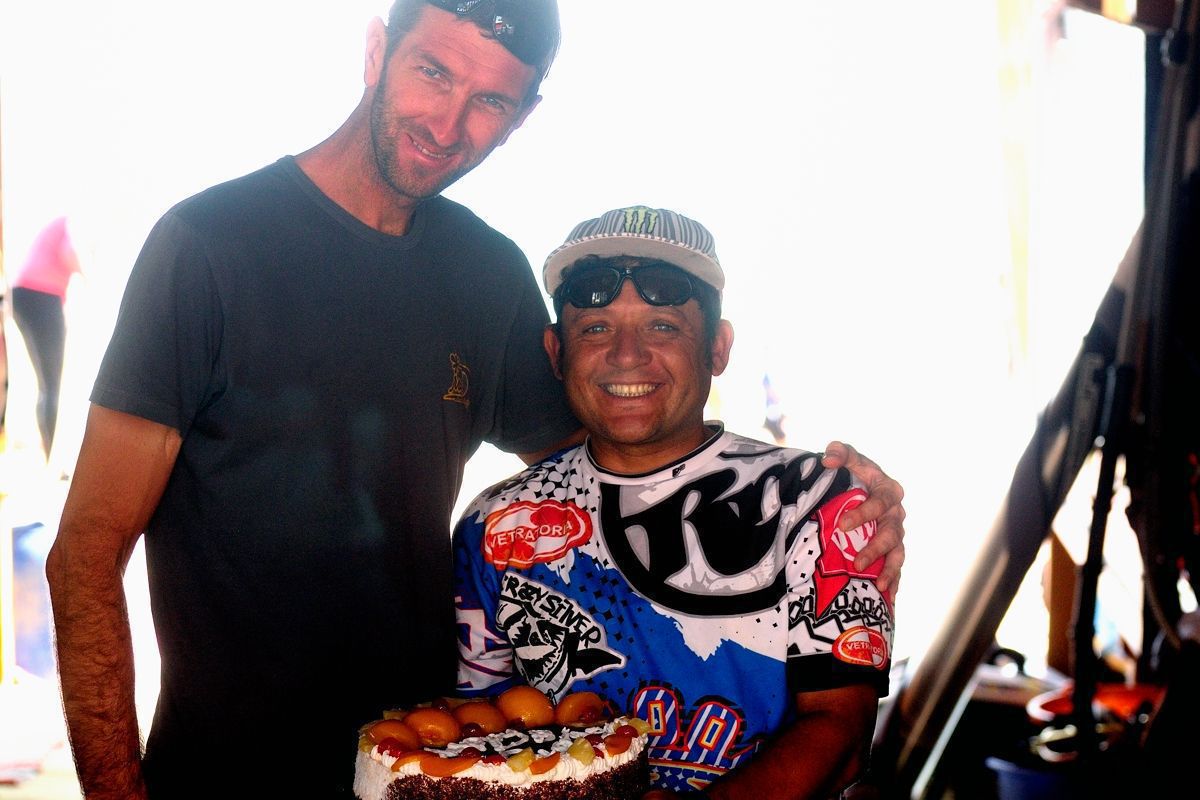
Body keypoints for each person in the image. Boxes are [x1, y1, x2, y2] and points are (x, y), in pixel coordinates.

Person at [45, 4, 904, 799]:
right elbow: (86, 551)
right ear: (377, 50)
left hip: (437, 764)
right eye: (433, 72)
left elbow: (626, 458)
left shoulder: (486, 274)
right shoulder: (208, 247)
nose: (448, 124)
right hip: (225, 772)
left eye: (491, 100)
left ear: (524, 116)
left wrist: (829, 515)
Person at [455, 205, 895, 799]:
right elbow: (478, 733)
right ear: (555, 353)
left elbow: (841, 735)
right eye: (595, 328)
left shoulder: (816, 499)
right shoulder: (494, 525)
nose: (626, 354)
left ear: (718, 347)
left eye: (662, 326)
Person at [9, 215, 81, 462]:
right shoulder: (72, 221)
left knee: (46, 385)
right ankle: (53, 458)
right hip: (42, 295)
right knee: (51, 385)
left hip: (22, 296)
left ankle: (49, 454)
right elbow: (70, 253)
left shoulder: (59, 225)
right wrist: (88, 275)